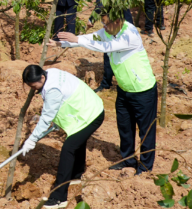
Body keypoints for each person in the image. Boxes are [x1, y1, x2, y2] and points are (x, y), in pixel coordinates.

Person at [49, 11, 158, 176]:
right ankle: (127, 161)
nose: (104, 28)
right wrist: (63, 44)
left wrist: (76, 39)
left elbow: (107, 47)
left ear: (118, 20)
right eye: (103, 24)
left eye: (107, 24)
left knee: (146, 131)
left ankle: (145, 168)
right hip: (124, 90)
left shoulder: (130, 34)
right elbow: (92, 39)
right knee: (125, 128)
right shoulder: (108, 32)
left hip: (143, 91)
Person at [20, 65, 105, 209]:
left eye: (34, 86)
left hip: (90, 114)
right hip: (88, 109)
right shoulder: (51, 72)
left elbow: (46, 117)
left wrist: (32, 139)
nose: (34, 89)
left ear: (42, 77)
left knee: (68, 149)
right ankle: (76, 175)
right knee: (77, 141)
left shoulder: (52, 89)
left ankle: (59, 198)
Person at [88, 0, 134, 92]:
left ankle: (107, 83)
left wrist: (91, 20)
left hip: (115, 26)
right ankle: (121, 82)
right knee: (125, 54)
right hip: (126, 24)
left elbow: (100, 5)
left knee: (109, 53)